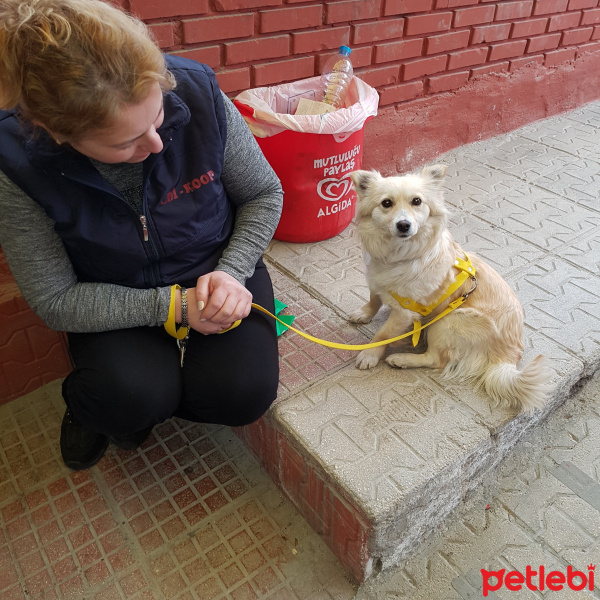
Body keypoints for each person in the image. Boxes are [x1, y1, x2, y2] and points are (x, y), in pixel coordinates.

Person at [0, 0, 283, 470]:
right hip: (113, 290)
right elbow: (53, 299)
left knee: (243, 394)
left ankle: (160, 396)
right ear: (55, 132)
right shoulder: (14, 160)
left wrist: (233, 272)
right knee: (127, 396)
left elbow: (263, 193)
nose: (155, 145)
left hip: (216, 265)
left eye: (158, 118)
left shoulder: (195, 90)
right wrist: (173, 307)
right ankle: (102, 407)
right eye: (124, 141)